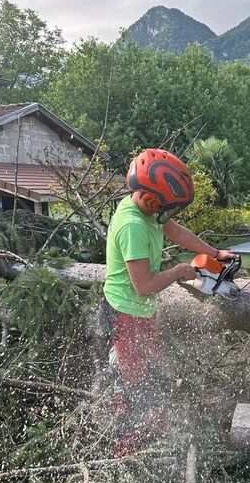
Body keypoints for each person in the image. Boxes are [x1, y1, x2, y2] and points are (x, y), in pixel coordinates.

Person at [101, 147, 236, 455]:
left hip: (139, 313)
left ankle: (155, 432)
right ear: (150, 200)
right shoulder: (133, 226)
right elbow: (145, 286)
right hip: (125, 314)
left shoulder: (145, 210)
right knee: (134, 387)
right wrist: (178, 272)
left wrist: (214, 253)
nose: (170, 215)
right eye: (167, 208)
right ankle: (127, 455)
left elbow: (175, 230)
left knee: (156, 375)